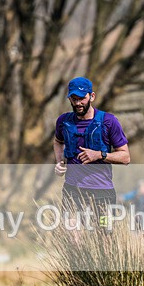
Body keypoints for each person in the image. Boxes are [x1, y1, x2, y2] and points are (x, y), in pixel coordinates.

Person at [53, 77, 130, 230]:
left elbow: (125, 157)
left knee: (104, 237)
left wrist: (100, 155)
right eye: (73, 99)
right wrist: (59, 162)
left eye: (81, 98)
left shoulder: (109, 121)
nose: (77, 103)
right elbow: (57, 141)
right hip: (72, 190)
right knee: (72, 235)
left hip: (102, 193)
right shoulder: (63, 121)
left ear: (92, 96)